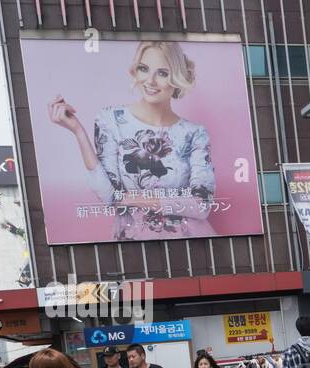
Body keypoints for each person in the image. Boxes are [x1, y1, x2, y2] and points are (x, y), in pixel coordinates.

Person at [47, 40, 217, 242]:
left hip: (193, 244)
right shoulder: (110, 120)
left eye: (163, 73)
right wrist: (78, 132)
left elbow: (202, 205)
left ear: (177, 78)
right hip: (134, 246)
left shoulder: (194, 133)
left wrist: (130, 199)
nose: (150, 81)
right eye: (144, 69)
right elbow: (108, 196)